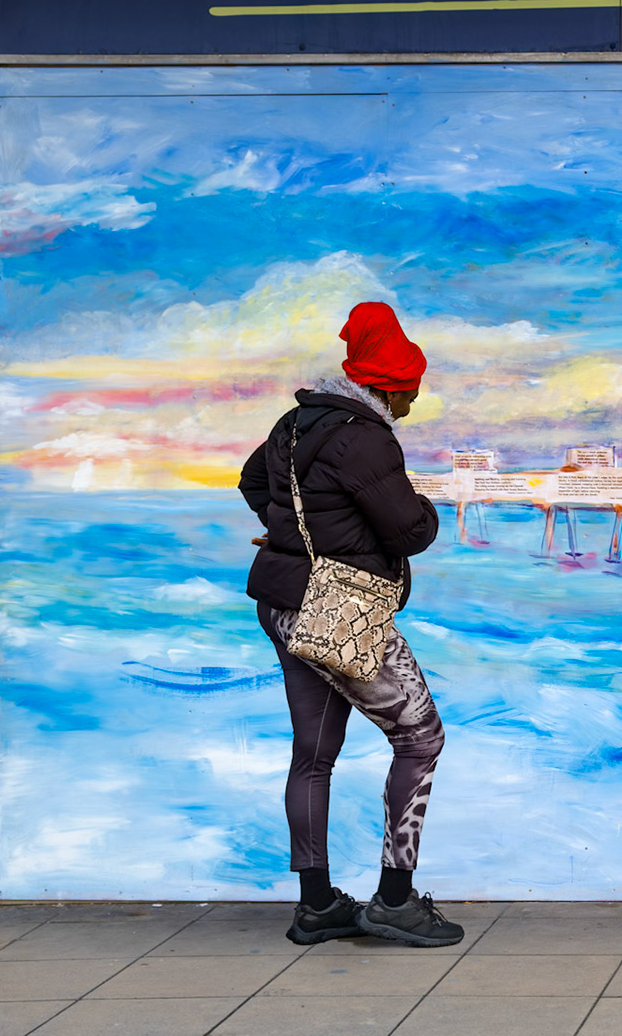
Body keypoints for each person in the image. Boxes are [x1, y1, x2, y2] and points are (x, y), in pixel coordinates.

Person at [238, 302, 462, 947]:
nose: (414, 403)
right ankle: (395, 900)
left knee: (312, 756)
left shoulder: (295, 422)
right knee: (420, 739)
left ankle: (317, 906)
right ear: (390, 384)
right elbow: (410, 530)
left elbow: (255, 480)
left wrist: (293, 533)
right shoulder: (366, 437)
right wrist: (421, 507)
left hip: (282, 603)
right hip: (340, 612)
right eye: (413, 389)